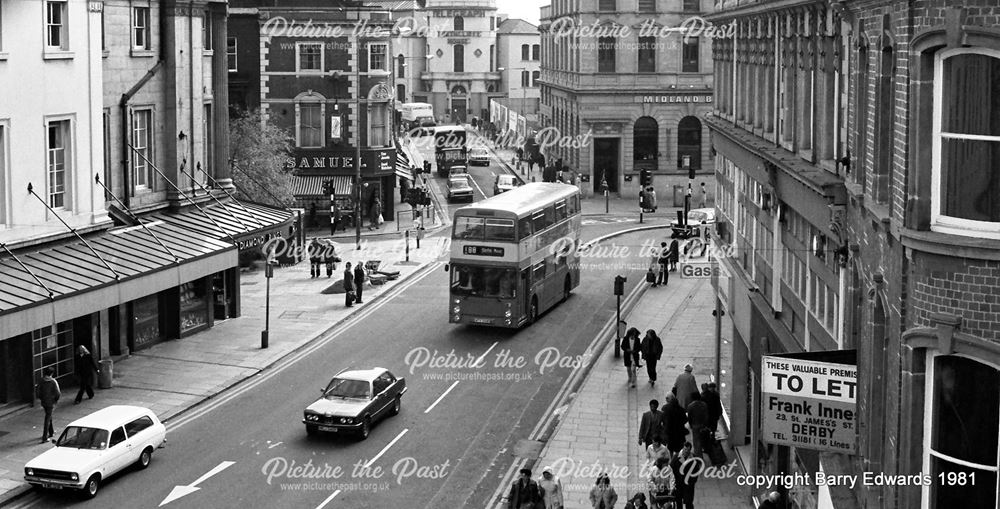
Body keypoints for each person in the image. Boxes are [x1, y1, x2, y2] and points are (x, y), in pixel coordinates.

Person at [671, 443, 699, 509]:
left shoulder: (693, 458)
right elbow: (671, 469)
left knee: (689, 502)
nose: (686, 451)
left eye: (688, 450)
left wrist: (692, 482)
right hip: (678, 484)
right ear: (683, 448)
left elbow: (696, 471)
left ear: (690, 450)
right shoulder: (676, 457)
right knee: (678, 502)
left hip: (688, 485)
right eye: (685, 449)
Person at [36, 368, 60, 443]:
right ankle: (44, 437)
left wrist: (41, 398)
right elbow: (58, 393)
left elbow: (38, 392)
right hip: (51, 402)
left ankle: (51, 432)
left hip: (44, 402)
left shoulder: (41, 381)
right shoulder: (53, 382)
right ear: (51, 373)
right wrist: (55, 400)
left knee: (49, 416)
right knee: (47, 418)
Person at [686, 392, 709, 458]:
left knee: (696, 441)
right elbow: (706, 416)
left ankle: (698, 456)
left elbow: (689, 417)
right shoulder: (704, 404)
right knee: (702, 439)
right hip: (703, 425)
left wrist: (690, 424)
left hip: (695, 425)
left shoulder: (690, 406)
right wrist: (705, 424)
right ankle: (702, 452)